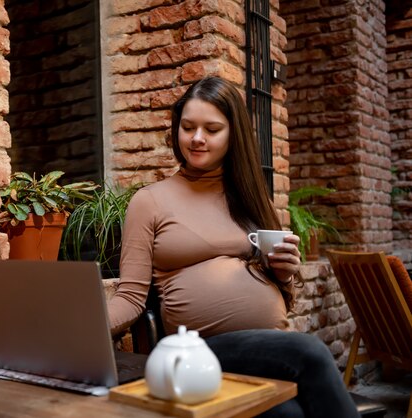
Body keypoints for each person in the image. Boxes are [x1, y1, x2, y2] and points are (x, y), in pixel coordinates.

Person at [107, 76, 360, 418]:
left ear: (232, 135)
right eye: (188, 127)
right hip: (201, 351)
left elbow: (282, 293)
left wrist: (283, 274)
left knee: (288, 415)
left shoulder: (251, 197)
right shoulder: (149, 201)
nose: (197, 139)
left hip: (268, 347)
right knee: (311, 351)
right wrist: (78, 329)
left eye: (212, 129)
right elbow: (131, 297)